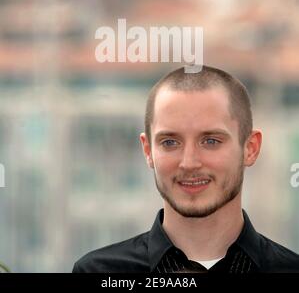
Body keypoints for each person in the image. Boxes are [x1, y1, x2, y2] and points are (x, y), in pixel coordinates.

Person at [72, 65, 299, 273]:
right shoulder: (100, 272)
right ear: (148, 151)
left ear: (250, 149)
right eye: (170, 142)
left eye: (210, 141)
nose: (189, 162)